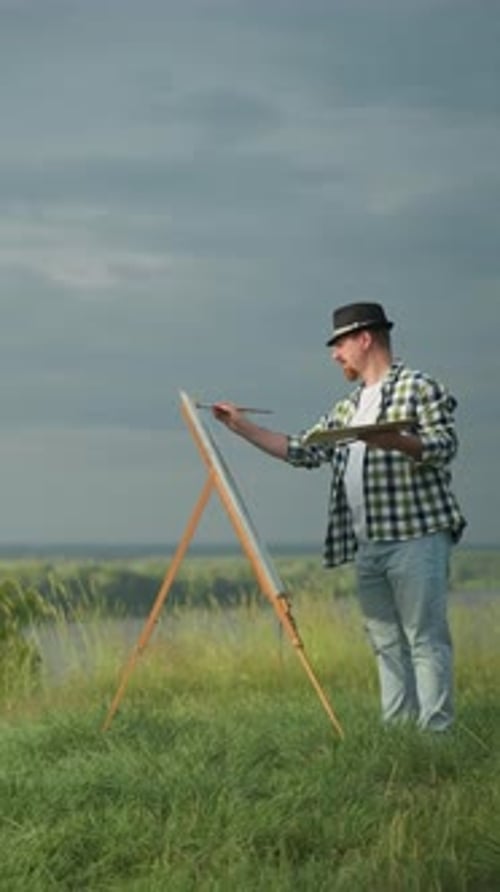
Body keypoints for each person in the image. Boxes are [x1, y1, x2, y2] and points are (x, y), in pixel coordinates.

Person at [212, 302, 466, 732]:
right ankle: (399, 734)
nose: (335, 354)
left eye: (340, 343)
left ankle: (437, 740)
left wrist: (395, 441)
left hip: (417, 537)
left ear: (365, 338)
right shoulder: (347, 408)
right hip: (368, 545)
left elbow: (444, 446)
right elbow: (304, 451)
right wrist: (241, 427)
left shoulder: (419, 387)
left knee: (425, 640)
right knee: (385, 642)